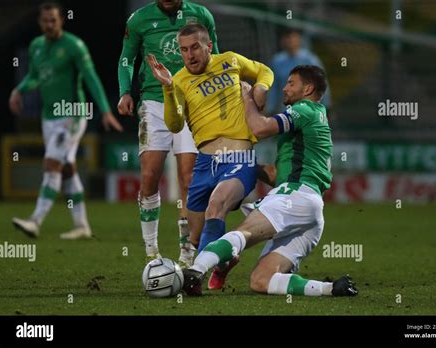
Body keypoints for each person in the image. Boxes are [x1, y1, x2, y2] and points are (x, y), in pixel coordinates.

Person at [182, 65, 358, 298]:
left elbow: (260, 127)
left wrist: (247, 98)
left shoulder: (304, 110)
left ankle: (194, 271)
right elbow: (276, 175)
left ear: (308, 88)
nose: (284, 88)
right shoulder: (314, 121)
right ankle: (331, 288)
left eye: (290, 83)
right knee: (261, 281)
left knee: (242, 234)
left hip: (294, 198)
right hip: (311, 213)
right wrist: (240, 167)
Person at [147, 23, 273, 289]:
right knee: (195, 237)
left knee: (216, 205)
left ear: (208, 46)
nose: (189, 55)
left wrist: (260, 87)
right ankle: (225, 259)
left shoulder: (230, 61)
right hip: (204, 163)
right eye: (183, 50)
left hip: (238, 158)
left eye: (194, 47)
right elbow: (173, 124)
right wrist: (168, 89)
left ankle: (194, 275)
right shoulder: (179, 80)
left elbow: (264, 70)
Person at [9, 1, 123, 240]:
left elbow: (91, 78)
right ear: (39, 22)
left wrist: (105, 111)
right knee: (68, 169)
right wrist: (19, 90)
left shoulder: (74, 46)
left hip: (71, 115)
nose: (49, 24)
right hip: (48, 117)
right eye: (45, 20)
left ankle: (35, 221)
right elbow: (34, 77)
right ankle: (82, 226)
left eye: (53, 20)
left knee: (51, 164)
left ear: (62, 20)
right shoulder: (37, 46)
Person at [117, 0, 219, 267]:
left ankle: (187, 254)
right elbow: (127, 58)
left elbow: (215, 57)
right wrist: (125, 92)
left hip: (193, 100)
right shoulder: (138, 20)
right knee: (150, 175)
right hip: (154, 101)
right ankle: (152, 253)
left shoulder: (201, 15)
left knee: (188, 179)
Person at [267, 29, 331, 114]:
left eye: (293, 37)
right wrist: (269, 108)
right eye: (287, 37)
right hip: (286, 112)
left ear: (299, 39)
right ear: (283, 40)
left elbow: (321, 82)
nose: (291, 40)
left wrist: (327, 106)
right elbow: (273, 87)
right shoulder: (277, 61)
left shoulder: (310, 59)